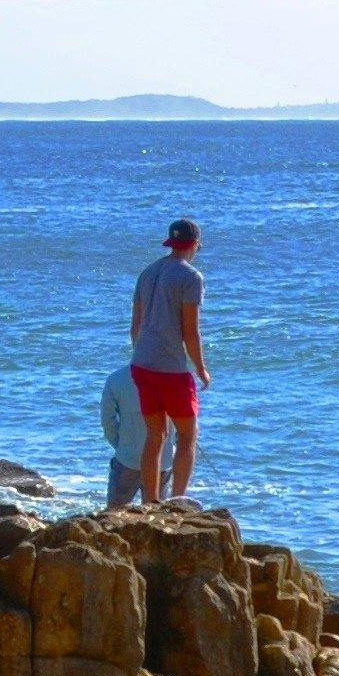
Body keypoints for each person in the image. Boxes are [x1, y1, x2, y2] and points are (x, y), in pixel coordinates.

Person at [128, 215, 209, 502]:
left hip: (142, 364)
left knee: (155, 435)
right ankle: (178, 500)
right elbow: (190, 331)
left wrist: (141, 353)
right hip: (171, 370)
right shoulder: (191, 277)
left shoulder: (147, 272)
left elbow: (135, 326)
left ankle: (150, 500)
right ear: (195, 244)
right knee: (187, 436)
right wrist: (201, 369)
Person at [99, 363, 150, 509]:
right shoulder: (172, 377)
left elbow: (107, 421)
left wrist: (121, 445)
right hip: (163, 460)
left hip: (127, 458)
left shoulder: (116, 378)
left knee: (113, 514)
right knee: (158, 513)